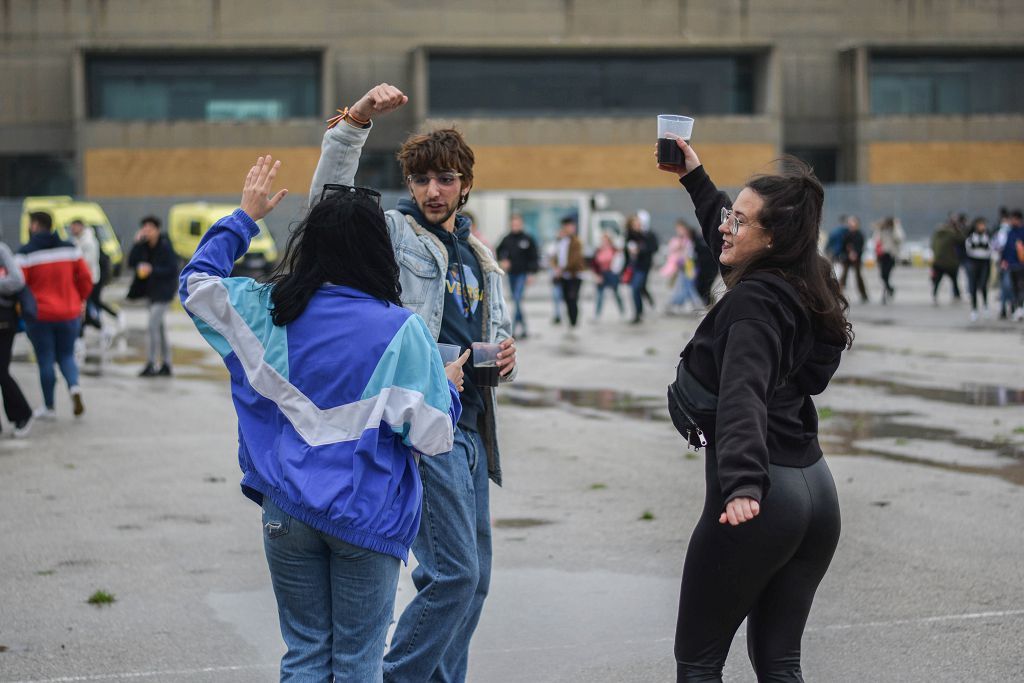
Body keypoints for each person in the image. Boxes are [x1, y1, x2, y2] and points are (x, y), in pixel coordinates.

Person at [180, 155, 464, 681]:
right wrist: (449, 388)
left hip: (284, 510)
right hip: (367, 516)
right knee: (358, 661)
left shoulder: (266, 308)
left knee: (305, 655)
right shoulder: (402, 330)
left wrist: (244, 217)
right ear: (379, 253)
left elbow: (196, 285)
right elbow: (435, 435)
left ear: (309, 247)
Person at [309, 83, 518, 683]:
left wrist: (505, 357)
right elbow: (329, 200)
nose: (433, 191)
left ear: (465, 184)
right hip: (430, 422)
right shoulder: (395, 234)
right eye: (423, 180)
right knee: (452, 576)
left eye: (446, 179)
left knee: (472, 582)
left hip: (476, 428)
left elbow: (493, 329)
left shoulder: (481, 255)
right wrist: (356, 121)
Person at [658, 140, 851, 682]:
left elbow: (744, 391)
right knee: (778, 662)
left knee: (698, 664)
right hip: (816, 492)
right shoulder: (807, 282)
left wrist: (743, 483)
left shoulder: (752, 307)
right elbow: (728, 235)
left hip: (762, 494)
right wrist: (695, 178)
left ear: (770, 239)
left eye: (739, 221)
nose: (725, 226)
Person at [16, 212, 92, 420]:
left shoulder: (25, 253)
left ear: (34, 226)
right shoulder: (70, 248)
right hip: (69, 313)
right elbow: (86, 278)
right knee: (66, 356)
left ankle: (49, 408)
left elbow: (18, 284)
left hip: (40, 316)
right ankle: (74, 387)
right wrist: (80, 299)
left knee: (46, 360)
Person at [127, 216, 179, 377]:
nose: (147, 231)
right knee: (160, 329)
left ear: (157, 230)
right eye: (145, 228)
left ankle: (151, 363)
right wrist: (136, 243)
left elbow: (172, 269)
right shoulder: (143, 246)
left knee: (152, 326)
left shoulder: (165, 246)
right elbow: (131, 262)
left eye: (150, 228)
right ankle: (167, 364)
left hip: (164, 293)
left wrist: (152, 269)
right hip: (151, 292)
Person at [0, 242, 35, 437]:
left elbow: (17, 280)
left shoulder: (1, 250)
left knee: (1, 371)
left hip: (3, 321)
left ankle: (23, 414)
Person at [495, 214, 539, 338]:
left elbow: (534, 257)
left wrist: (532, 273)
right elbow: (498, 251)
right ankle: (524, 328)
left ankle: (512, 330)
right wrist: (503, 260)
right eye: (513, 224)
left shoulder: (528, 239)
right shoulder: (507, 238)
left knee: (517, 300)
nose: (515, 226)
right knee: (516, 301)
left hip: (523, 274)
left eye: (517, 224)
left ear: (521, 224)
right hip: (511, 274)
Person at [662, 220, 704, 314]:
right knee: (684, 286)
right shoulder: (677, 240)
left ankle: (694, 305)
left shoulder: (689, 240)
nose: (679, 231)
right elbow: (671, 252)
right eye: (678, 229)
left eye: (681, 229)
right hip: (679, 266)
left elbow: (691, 253)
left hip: (688, 266)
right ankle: (694, 305)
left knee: (688, 286)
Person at [552, 215, 585, 330]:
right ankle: (571, 321)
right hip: (563, 276)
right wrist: (556, 268)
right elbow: (555, 257)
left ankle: (574, 321)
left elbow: (575, 259)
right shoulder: (561, 242)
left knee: (573, 297)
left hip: (574, 275)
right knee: (566, 299)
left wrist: (562, 269)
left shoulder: (576, 242)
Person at [623, 213, 657, 323]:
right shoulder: (629, 237)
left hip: (643, 266)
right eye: (635, 224)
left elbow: (653, 248)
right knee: (637, 289)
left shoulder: (646, 235)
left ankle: (639, 313)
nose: (638, 225)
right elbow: (626, 254)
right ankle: (639, 312)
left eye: (639, 223)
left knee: (636, 288)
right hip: (633, 267)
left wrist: (640, 250)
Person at [591, 231, 625, 320]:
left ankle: (622, 312)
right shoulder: (598, 250)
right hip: (602, 273)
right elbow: (594, 264)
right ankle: (597, 314)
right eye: (603, 240)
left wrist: (619, 273)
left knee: (616, 293)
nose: (604, 241)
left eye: (606, 240)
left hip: (612, 273)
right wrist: (597, 275)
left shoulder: (614, 250)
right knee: (600, 295)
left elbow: (620, 262)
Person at [964, 217, 992, 321]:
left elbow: (990, 249)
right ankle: (974, 309)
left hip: (984, 263)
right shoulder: (971, 237)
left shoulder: (987, 236)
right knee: (973, 286)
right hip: (973, 263)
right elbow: (970, 250)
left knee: (983, 285)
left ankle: (985, 305)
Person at [930, 216, 963, 304]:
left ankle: (934, 294)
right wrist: (957, 229)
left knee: (938, 281)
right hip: (950, 263)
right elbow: (962, 239)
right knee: (954, 280)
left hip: (938, 262)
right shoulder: (950, 235)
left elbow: (932, 247)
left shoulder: (936, 236)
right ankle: (957, 295)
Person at [873, 216, 904, 304]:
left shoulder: (895, 230)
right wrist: (879, 229)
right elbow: (876, 240)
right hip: (882, 255)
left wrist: (896, 226)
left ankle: (884, 295)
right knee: (883, 275)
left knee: (886, 275)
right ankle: (889, 289)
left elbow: (899, 238)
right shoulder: (881, 230)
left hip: (891, 255)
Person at [999, 209, 1024, 321]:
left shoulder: (1022, 232)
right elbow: (1006, 248)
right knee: (1010, 287)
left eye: (1013, 219)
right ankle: (1014, 309)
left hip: (1021, 264)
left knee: (1020, 287)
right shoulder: (1009, 232)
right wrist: (1003, 260)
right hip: (1010, 264)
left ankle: (1019, 308)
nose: (1011, 221)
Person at [839, 215, 868, 303]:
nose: (851, 224)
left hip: (857, 258)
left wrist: (855, 254)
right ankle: (838, 293)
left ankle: (864, 295)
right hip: (847, 258)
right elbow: (843, 246)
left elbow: (861, 247)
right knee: (843, 276)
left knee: (858, 276)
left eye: (853, 222)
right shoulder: (846, 234)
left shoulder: (859, 234)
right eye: (850, 222)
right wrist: (847, 254)